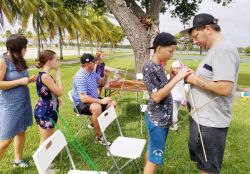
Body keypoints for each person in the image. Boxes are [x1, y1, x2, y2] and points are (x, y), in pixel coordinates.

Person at [181, 13, 239, 174]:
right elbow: (211, 79)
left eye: (195, 36)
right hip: (203, 120)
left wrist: (192, 80)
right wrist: (189, 76)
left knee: (208, 170)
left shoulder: (223, 50)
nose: (194, 42)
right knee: (202, 166)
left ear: (207, 28)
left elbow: (224, 88)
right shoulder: (215, 50)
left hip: (211, 123)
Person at [142, 32, 192, 174]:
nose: (172, 54)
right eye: (170, 50)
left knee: (152, 149)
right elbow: (157, 96)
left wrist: (171, 77)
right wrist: (178, 79)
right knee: (155, 158)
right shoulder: (149, 66)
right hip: (157, 119)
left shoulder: (158, 66)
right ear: (159, 48)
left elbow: (162, 88)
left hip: (161, 118)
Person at [0, 34, 36, 167]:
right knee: (4, 141)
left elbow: (21, 79)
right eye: (24, 47)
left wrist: (28, 80)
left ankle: (18, 160)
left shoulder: (19, 60)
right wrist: (20, 81)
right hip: (10, 105)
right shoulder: (3, 61)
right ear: (17, 47)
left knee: (21, 131)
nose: (26, 49)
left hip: (23, 102)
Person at [72, 53, 116, 145]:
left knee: (112, 104)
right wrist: (101, 101)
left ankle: (96, 123)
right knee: (97, 107)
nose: (96, 63)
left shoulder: (92, 72)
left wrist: (106, 76)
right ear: (87, 64)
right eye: (94, 62)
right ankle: (99, 137)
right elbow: (83, 98)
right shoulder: (80, 76)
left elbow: (101, 83)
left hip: (92, 99)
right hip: (80, 103)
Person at [34, 50, 63, 145]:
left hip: (49, 109)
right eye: (56, 60)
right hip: (46, 111)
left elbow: (53, 92)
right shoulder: (45, 76)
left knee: (48, 138)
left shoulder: (45, 75)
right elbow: (60, 92)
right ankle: (41, 159)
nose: (58, 62)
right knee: (45, 141)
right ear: (48, 61)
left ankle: (47, 158)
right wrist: (58, 77)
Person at [169, 61, 187, 131]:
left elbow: (182, 87)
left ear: (178, 68)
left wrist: (184, 98)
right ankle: (174, 125)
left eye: (174, 68)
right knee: (175, 112)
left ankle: (174, 127)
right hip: (179, 97)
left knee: (174, 112)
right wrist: (183, 98)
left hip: (174, 96)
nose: (173, 70)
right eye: (173, 68)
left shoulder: (179, 76)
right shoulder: (180, 75)